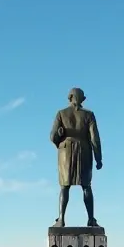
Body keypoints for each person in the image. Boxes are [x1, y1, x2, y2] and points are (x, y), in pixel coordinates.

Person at [49, 87, 102, 227]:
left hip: (65, 152)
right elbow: (95, 139)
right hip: (84, 151)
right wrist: (98, 158)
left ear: (70, 97)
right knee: (86, 186)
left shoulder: (61, 114)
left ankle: (61, 220)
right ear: (82, 99)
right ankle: (91, 219)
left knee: (64, 187)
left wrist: (60, 136)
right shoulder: (89, 115)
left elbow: (52, 137)